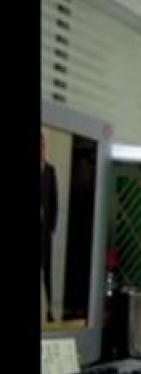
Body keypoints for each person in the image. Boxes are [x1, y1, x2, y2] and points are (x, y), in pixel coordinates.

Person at [41, 130, 59, 323]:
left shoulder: (50, 171)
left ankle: (49, 310)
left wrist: (52, 226)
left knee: (47, 270)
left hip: (45, 231)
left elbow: (54, 200)